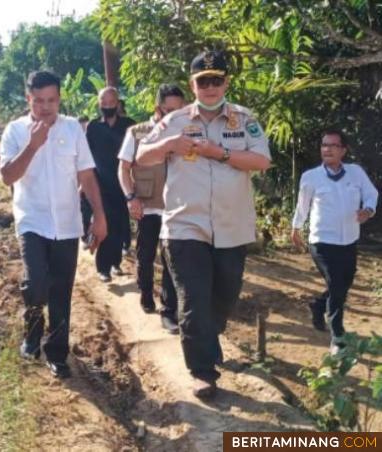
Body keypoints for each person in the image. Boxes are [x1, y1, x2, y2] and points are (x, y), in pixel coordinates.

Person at [136, 50, 271, 398]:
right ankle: (203, 372)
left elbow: (261, 160)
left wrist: (219, 153)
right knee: (193, 299)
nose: (210, 87)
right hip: (185, 226)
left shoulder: (244, 119)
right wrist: (168, 144)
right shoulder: (176, 120)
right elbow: (141, 156)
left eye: (216, 80)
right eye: (202, 81)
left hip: (232, 226)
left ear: (226, 82)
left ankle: (209, 339)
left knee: (224, 296)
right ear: (192, 84)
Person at [0, 70, 107, 379]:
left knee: (61, 290)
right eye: (39, 101)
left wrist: (99, 215)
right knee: (35, 286)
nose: (46, 107)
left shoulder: (73, 129)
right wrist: (33, 145)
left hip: (67, 223)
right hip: (31, 220)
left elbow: (86, 175)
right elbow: (7, 176)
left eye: (51, 100)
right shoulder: (15, 131)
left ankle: (57, 353)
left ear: (59, 98)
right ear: (28, 98)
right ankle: (32, 332)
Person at [291, 130, 378, 355]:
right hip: (321, 241)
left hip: (349, 240)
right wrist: (296, 227)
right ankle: (338, 336)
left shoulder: (356, 173)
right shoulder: (311, 177)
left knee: (342, 283)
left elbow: (371, 194)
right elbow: (303, 205)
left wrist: (368, 210)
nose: (327, 149)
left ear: (343, 150)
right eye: (324, 145)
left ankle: (319, 305)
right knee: (337, 283)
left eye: (333, 145)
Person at [118, 84, 185, 333]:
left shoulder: (187, 133)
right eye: (169, 110)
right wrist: (130, 197)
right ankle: (146, 292)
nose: (174, 116)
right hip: (146, 208)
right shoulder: (137, 133)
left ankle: (168, 312)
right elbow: (123, 169)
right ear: (158, 108)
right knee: (145, 257)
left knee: (171, 261)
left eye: (180, 110)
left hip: (176, 209)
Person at [86, 87, 135, 282]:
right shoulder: (93, 127)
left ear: (118, 103)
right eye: (103, 103)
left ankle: (115, 263)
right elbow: (86, 156)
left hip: (124, 183)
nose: (107, 106)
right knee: (106, 224)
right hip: (101, 184)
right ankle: (103, 268)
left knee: (121, 225)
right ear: (99, 104)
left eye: (110, 103)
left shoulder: (129, 126)